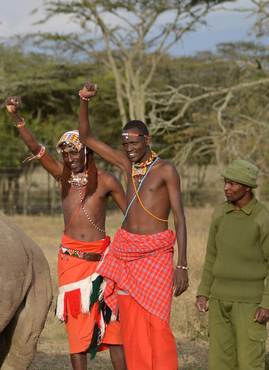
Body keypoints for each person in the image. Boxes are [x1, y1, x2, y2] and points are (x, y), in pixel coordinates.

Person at [6, 97, 127, 370]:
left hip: (104, 263)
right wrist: (16, 117)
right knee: (77, 330)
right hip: (71, 262)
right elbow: (35, 148)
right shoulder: (62, 176)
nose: (70, 159)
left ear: (87, 152)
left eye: (75, 152)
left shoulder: (107, 180)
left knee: (113, 327)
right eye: (66, 154)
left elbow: (131, 216)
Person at [78, 82, 188, 370]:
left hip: (157, 254)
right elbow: (87, 137)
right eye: (125, 144)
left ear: (147, 140)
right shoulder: (126, 165)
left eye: (134, 144)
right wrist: (84, 100)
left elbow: (180, 216)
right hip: (127, 252)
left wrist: (183, 265)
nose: (129, 149)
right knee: (132, 324)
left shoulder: (166, 169)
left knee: (158, 323)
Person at [196, 160, 269, 370]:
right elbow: (211, 256)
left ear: (248, 187)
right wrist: (203, 292)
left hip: (250, 305)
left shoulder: (266, 219)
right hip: (218, 302)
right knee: (219, 364)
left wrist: (267, 304)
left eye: (232, 184)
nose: (226, 188)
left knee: (249, 364)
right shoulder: (219, 214)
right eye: (225, 182)